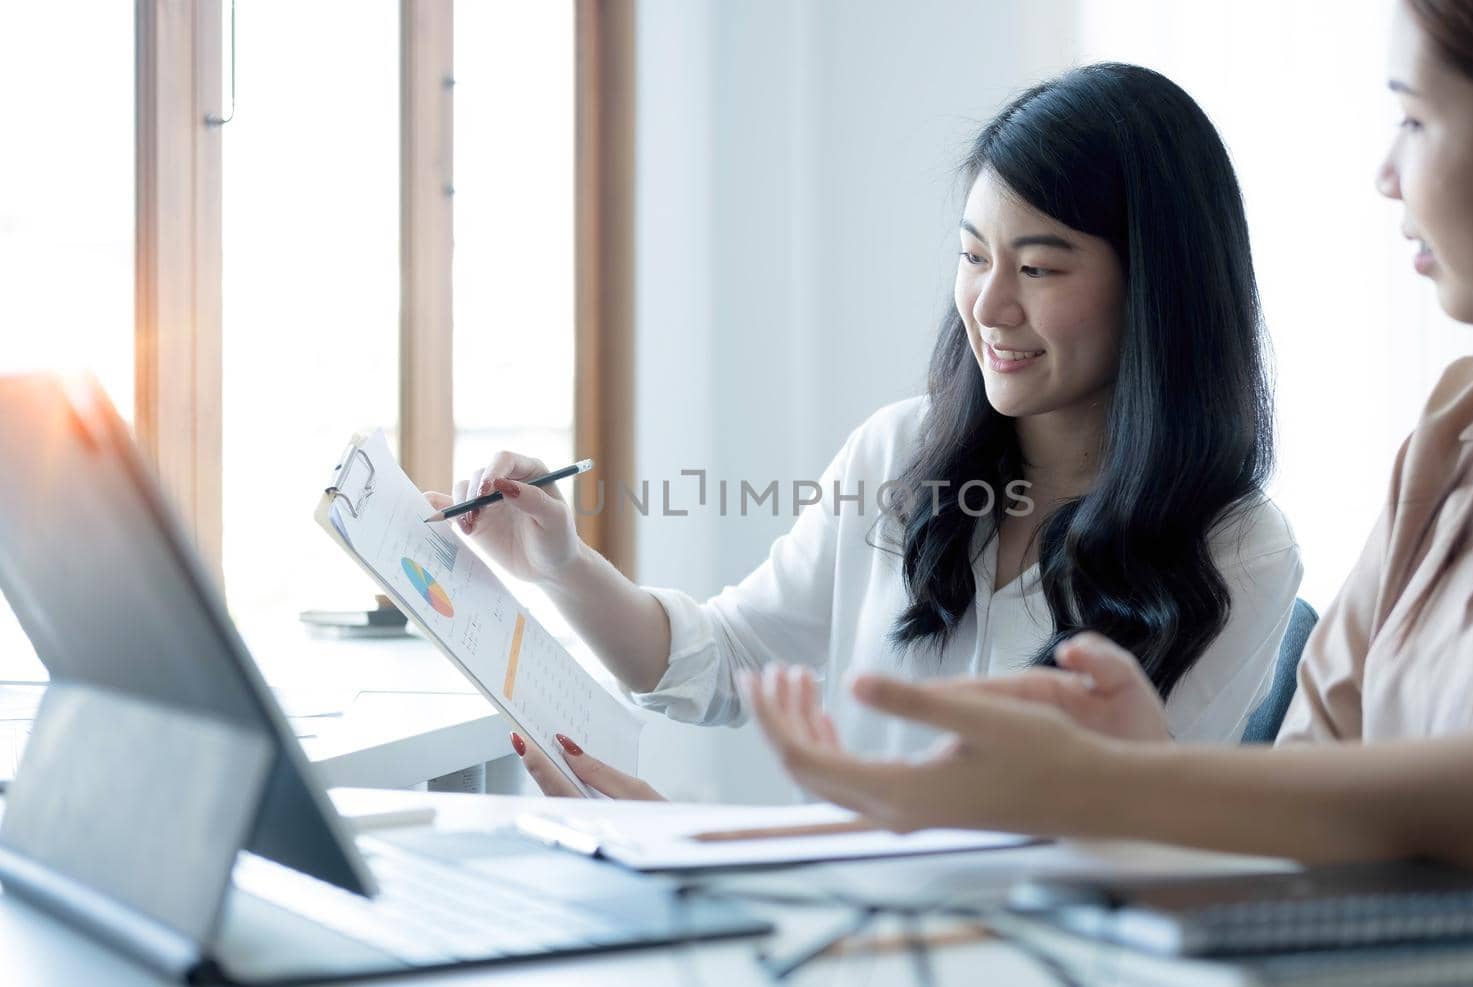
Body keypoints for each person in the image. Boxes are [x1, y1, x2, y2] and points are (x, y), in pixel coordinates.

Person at [747, 0, 1473, 882]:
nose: (1385, 173)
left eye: (1415, 118)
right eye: (975, 256)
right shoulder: (1452, 439)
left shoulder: (1246, 545)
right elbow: (1297, 813)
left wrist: (1127, 786)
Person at [429, 64, 1302, 799]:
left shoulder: (1240, 552)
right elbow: (725, 657)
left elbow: (1111, 847)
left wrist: (695, 842)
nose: (989, 306)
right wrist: (562, 567)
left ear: (1156, 286)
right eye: (972, 256)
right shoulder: (901, 454)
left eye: (1037, 267)